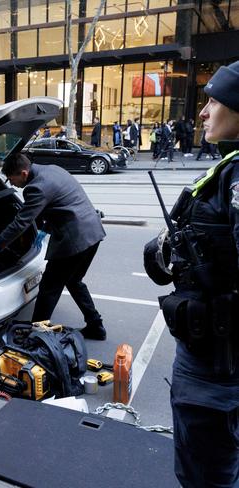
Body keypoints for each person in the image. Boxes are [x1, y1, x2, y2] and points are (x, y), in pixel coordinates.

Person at [145, 61, 239, 487]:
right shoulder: (224, 171)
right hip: (210, 368)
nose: (203, 111)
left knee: (206, 478)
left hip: (215, 377)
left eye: (215, 100)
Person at [0, 154, 107, 340]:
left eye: (12, 179)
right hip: (93, 233)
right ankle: (95, 325)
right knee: (74, 280)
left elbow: (21, 223)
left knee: (49, 289)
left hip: (74, 241)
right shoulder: (53, 169)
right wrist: (44, 228)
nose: (11, 184)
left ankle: (36, 336)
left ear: (24, 173)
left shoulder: (35, 188)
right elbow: (61, 205)